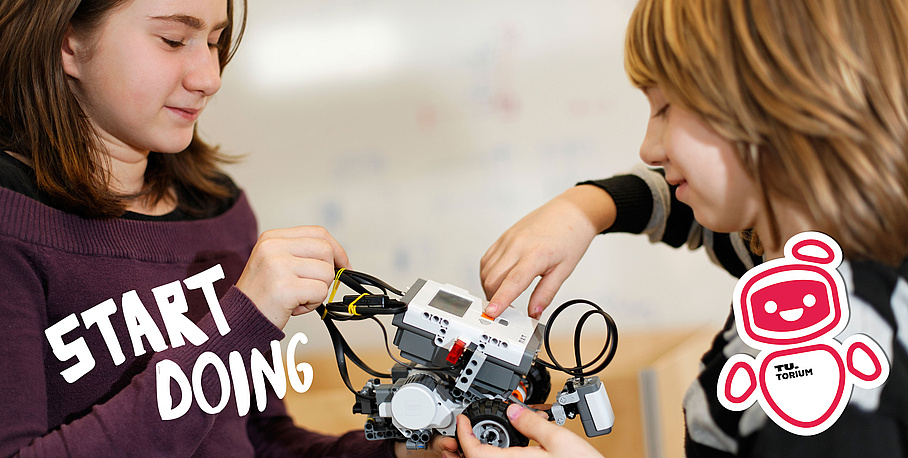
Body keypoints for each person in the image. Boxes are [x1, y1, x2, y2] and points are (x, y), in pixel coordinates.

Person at [0, 0, 458, 456]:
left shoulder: (222, 211)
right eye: (173, 40)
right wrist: (241, 324)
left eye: (216, 41)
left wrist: (406, 453)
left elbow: (260, 441)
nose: (209, 78)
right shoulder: (11, 225)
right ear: (68, 43)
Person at [461, 0, 908, 456]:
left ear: (773, 103)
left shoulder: (826, 379)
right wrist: (584, 208)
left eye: (666, 108)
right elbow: (681, 208)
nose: (649, 147)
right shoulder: (813, 254)